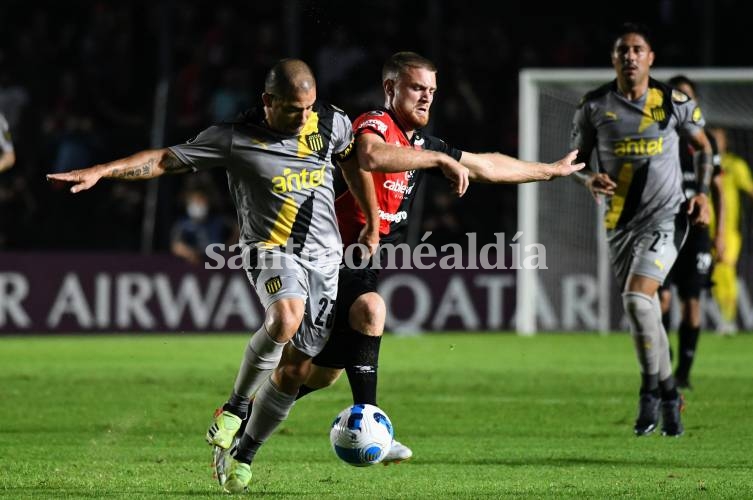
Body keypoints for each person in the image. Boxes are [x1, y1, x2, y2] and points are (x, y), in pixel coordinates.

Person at [47, 58, 424, 494]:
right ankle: (234, 407)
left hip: (325, 261)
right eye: (292, 108)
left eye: (308, 107)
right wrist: (102, 171)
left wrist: (372, 221)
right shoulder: (235, 139)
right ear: (267, 101)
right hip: (269, 250)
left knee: (301, 372)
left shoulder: (332, 124)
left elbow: (352, 165)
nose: (303, 117)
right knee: (285, 318)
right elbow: (162, 160)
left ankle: (243, 455)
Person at [230, 51, 585, 464]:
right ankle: (370, 421)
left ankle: (244, 430)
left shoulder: (418, 144)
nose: (426, 98)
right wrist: (438, 160)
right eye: (417, 88)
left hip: (360, 264)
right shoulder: (372, 125)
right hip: (325, 258)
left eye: (431, 91)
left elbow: (486, 164)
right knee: (370, 310)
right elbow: (370, 156)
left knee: (315, 374)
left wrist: (547, 170)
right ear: (390, 88)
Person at [570, 23, 714, 437]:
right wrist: (589, 179)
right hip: (619, 223)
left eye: (637, 49)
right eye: (622, 50)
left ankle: (651, 391)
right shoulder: (594, 106)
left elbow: (704, 147)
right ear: (613, 59)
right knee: (644, 309)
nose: (630, 56)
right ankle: (666, 392)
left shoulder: (673, 101)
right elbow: (575, 163)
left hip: (667, 218)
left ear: (650, 57)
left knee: (636, 299)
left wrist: (701, 193)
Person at [658, 75, 725, 390]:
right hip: (664, 228)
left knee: (693, 302)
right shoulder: (659, 136)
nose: (682, 102)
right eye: (677, 97)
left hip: (697, 231)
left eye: (687, 97)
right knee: (661, 302)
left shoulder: (705, 139)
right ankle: (663, 361)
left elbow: (719, 188)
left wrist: (720, 233)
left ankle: (684, 371)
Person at [708, 126, 753, 335]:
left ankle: (728, 318)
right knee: (717, 274)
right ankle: (726, 318)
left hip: (729, 231)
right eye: (712, 139)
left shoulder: (735, 165)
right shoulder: (703, 164)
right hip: (706, 231)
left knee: (725, 268)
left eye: (718, 139)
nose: (715, 143)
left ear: (725, 142)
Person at [170, 182, 236, 266]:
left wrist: (229, 247)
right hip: (195, 265)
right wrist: (190, 253)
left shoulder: (219, 220)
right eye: (195, 201)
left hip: (219, 264)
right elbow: (176, 246)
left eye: (201, 201)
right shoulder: (183, 224)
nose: (198, 204)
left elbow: (237, 228)